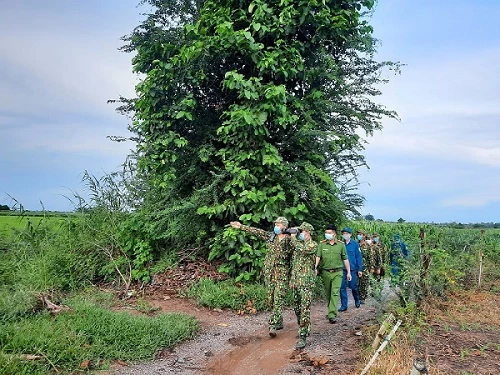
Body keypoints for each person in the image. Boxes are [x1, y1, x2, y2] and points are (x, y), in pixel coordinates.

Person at [230, 217, 292, 337]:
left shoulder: (290, 241)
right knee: (271, 300)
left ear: (284, 226)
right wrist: (241, 226)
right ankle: (279, 321)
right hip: (269, 273)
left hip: (282, 273)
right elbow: (257, 231)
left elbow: (295, 256)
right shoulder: (271, 236)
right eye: (275, 224)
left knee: (278, 298)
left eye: (278, 224)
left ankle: (273, 325)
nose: (276, 226)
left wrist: (292, 277)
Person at [315, 224, 351, 324]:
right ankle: (331, 309)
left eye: (329, 233)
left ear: (334, 234)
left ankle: (331, 314)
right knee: (328, 293)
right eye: (326, 233)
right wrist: (315, 267)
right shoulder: (322, 245)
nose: (327, 235)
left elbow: (345, 259)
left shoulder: (340, 245)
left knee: (335, 292)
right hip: (326, 272)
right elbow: (318, 257)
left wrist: (348, 272)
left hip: (337, 272)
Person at [290, 222, 317, 349]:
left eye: (303, 231)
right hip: (296, 281)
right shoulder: (298, 245)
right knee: (296, 307)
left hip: (306, 282)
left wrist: (293, 237)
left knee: (305, 309)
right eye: (300, 231)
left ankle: (302, 336)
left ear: (308, 233)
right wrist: (291, 279)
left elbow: (303, 250)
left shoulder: (312, 245)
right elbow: (294, 264)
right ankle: (305, 327)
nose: (300, 233)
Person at [338, 227, 363, 311]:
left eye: (346, 233)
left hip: (352, 269)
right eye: (344, 233)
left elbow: (358, 257)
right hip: (342, 268)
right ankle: (344, 305)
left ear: (350, 234)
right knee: (342, 287)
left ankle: (357, 300)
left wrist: (359, 269)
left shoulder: (355, 244)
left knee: (353, 286)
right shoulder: (340, 244)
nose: (345, 235)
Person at [356, 229, 371, 304]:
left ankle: (363, 297)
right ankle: (357, 297)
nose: (359, 235)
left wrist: (371, 267)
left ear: (364, 236)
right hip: (356, 267)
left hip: (365, 267)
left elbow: (370, 257)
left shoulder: (367, 246)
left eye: (361, 234)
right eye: (358, 234)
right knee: (357, 283)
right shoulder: (355, 245)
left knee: (364, 282)